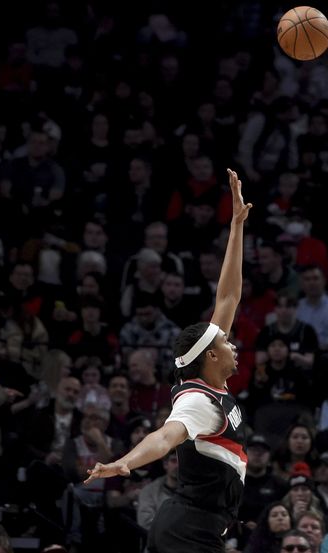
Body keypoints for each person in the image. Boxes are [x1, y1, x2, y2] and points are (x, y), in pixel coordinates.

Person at [83, 169, 252, 553]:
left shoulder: (209, 382)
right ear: (211, 355)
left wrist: (236, 226)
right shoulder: (198, 401)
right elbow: (164, 436)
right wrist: (126, 462)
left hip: (196, 525)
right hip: (187, 529)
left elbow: (228, 297)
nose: (233, 345)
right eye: (226, 342)